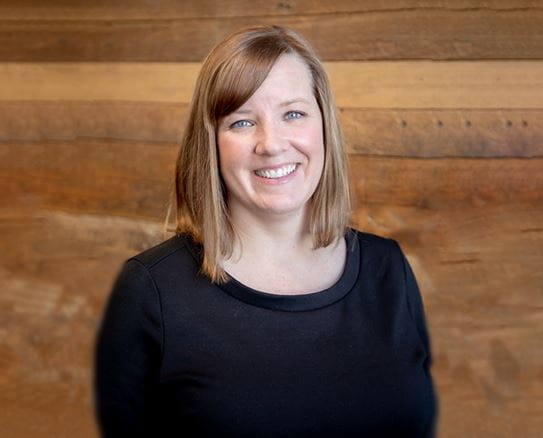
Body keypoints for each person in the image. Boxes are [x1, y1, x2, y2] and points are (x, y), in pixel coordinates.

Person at [94, 25, 438, 437]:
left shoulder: (389, 271)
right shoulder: (151, 292)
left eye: (293, 113)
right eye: (241, 122)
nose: (271, 144)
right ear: (211, 143)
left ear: (323, 124)